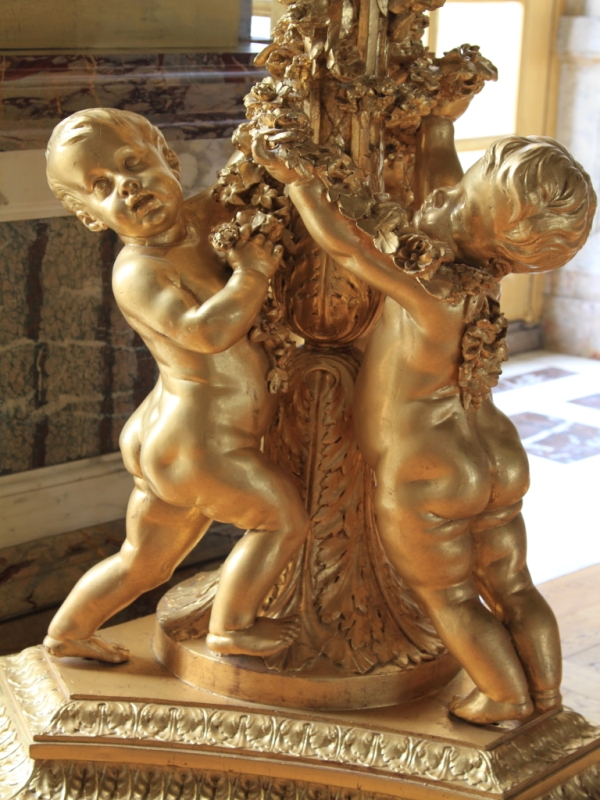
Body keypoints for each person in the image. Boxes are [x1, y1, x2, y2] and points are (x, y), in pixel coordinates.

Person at [253, 114, 596, 724]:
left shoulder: (429, 286)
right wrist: (437, 127)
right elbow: (445, 178)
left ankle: (503, 696)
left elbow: (348, 247)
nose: (440, 195)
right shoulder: (488, 276)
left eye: (457, 199)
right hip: (496, 451)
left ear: (474, 225)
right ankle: (545, 699)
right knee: (513, 585)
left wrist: (299, 181)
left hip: (429, 468)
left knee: (450, 595)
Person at [43, 108, 310, 664]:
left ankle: (67, 633)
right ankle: (231, 628)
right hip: (202, 443)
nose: (127, 186)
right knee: (281, 519)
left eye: (132, 163)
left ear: (167, 156)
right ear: (89, 216)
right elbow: (205, 332)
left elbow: (239, 180)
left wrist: (265, 141)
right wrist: (253, 273)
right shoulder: (138, 272)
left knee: (145, 561)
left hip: (173, 435)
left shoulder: (202, 213)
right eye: (101, 187)